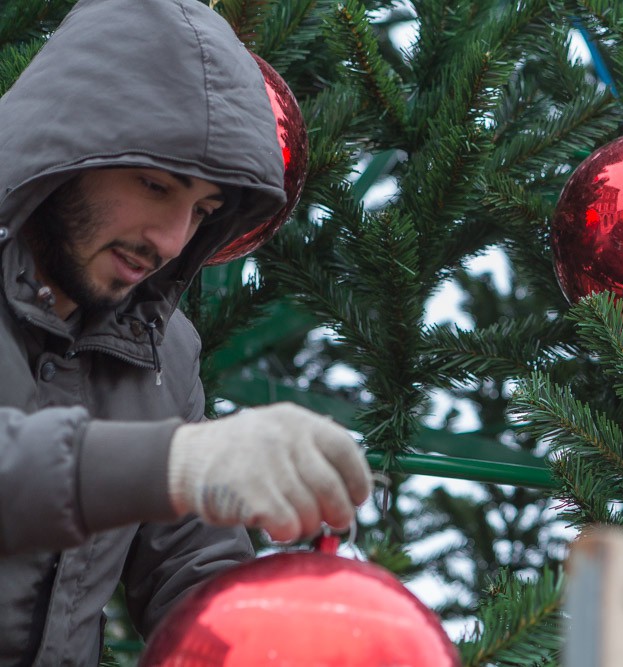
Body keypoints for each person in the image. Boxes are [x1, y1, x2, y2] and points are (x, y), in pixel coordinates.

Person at [0, 0, 373, 662]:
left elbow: (192, 569)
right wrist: (176, 462)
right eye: (155, 185)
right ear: (67, 152)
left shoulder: (163, 350)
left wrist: (285, 637)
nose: (172, 240)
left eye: (203, 211)